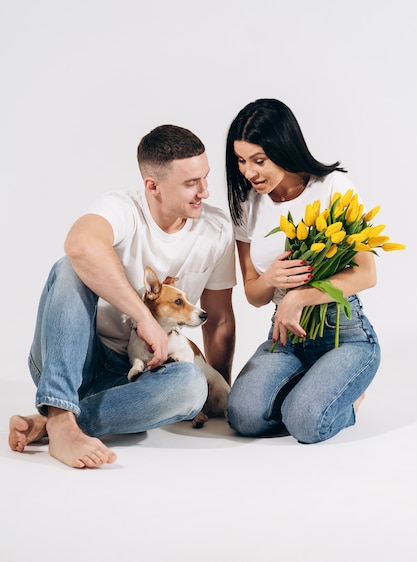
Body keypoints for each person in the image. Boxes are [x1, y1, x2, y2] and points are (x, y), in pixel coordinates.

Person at [9, 124, 236, 468]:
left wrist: (218, 392)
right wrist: (144, 317)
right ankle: (59, 409)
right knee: (70, 266)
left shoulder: (216, 229)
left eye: (205, 178)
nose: (204, 192)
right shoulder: (122, 208)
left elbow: (218, 320)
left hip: (138, 379)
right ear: (153, 186)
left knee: (191, 386)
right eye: (191, 183)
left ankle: (56, 423)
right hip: (75, 360)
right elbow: (80, 245)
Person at [225, 98, 380, 444]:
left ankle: (347, 401)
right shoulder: (246, 203)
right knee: (243, 417)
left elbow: (366, 273)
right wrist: (269, 280)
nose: (249, 172)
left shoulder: (332, 188)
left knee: (306, 425)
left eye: (259, 160)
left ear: (284, 147)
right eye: (241, 160)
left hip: (343, 332)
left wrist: (299, 297)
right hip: (285, 339)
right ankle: (312, 388)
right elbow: (252, 294)